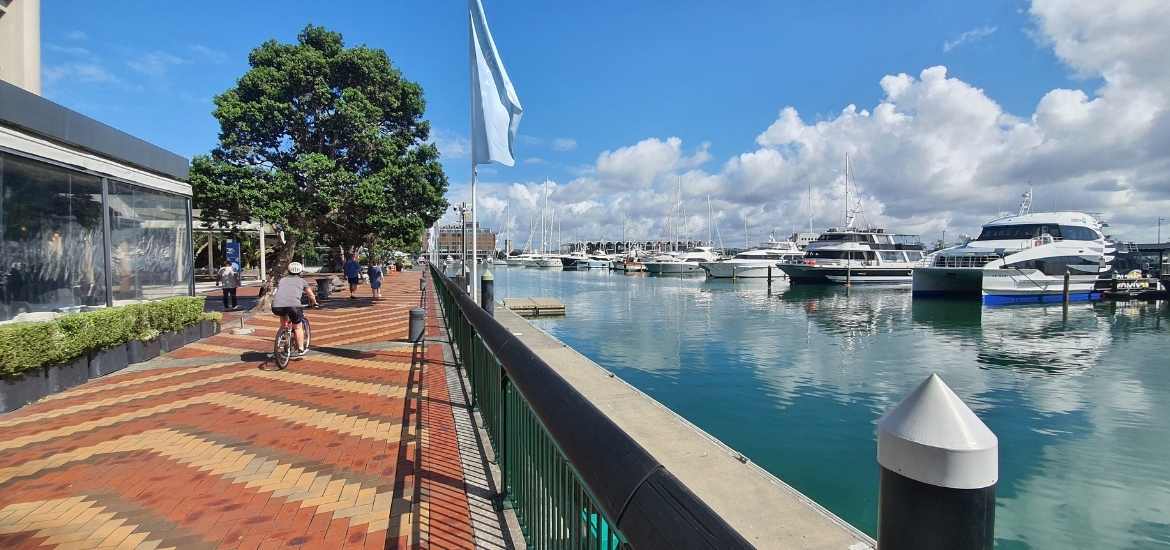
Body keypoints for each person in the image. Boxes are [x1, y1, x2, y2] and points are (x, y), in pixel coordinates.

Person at [272, 261, 319, 358]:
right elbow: (310, 294)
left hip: (277, 306)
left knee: (284, 324)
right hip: (294, 306)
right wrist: (314, 302)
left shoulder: (282, 280)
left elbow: (276, 291)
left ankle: (283, 336)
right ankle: (301, 349)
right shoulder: (302, 281)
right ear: (300, 271)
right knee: (297, 327)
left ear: (288, 270)